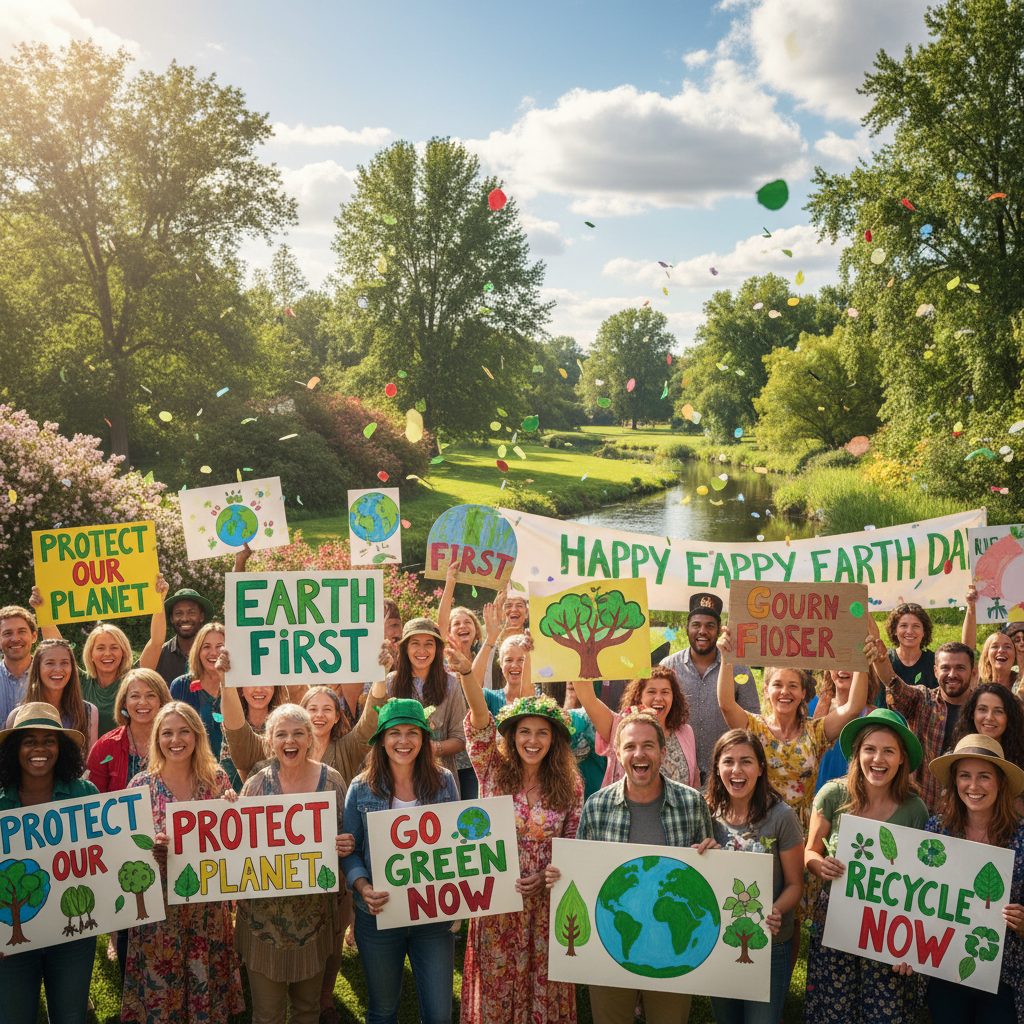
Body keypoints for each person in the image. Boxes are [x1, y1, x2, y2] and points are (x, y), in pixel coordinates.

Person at [567, 712, 718, 1024]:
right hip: (613, 941)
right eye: (630, 746)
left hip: (673, 948)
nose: (639, 754)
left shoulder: (692, 803)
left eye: (648, 746)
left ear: (663, 752)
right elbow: (581, 874)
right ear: (618, 753)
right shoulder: (597, 806)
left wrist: (712, 856)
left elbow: (707, 881)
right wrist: (564, 876)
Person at [458, 649, 583, 1023]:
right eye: (524, 731)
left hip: (547, 907)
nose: (532, 740)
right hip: (496, 901)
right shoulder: (492, 770)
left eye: (542, 732)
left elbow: (574, 844)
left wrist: (548, 876)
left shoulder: (571, 784)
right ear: (511, 737)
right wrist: (467, 672)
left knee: (543, 984)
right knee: (497, 988)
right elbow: (480, 721)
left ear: (554, 739)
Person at [121, 700, 244, 1023]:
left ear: (197, 736)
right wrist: (151, 850)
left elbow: (234, 843)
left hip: (207, 907)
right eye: (167, 733)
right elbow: (123, 854)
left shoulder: (217, 781)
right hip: (157, 910)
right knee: (162, 990)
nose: (175, 740)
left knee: (205, 980)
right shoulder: (139, 787)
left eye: (184, 732)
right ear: (157, 740)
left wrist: (232, 808)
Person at [804, 708, 929, 1024]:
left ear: (902, 759)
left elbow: (922, 878)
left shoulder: (915, 810)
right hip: (835, 917)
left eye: (889, 751)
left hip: (889, 924)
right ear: (857, 753)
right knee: (832, 1007)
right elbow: (810, 852)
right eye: (870, 749)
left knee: (884, 1008)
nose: (878, 759)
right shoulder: (832, 794)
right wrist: (820, 866)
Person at [342, 697, 462, 1024]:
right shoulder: (361, 789)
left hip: (432, 915)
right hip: (378, 915)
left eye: (412, 732)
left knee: (439, 1015)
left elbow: (457, 846)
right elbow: (351, 850)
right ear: (382, 740)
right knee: (382, 1011)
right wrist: (362, 887)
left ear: (424, 739)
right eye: (394, 733)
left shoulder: (444, 783)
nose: (403, 741)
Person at [235, 704, 354, 1024]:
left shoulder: (333, 782)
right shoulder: (256, 785)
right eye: (282, 733)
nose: (291, 740)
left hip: (314, 921)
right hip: (264, 924)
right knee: (268, 1015)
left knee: (307, 1011)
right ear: (270, 740)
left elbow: (346, 836)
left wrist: (346, 844)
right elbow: (236, 849)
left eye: (299, 733)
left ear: (310, 738)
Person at [0, 703, 96, 1024]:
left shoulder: (84, 794)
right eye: (29, 741)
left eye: (49, 740)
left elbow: (107, 857)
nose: (39, 749)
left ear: (61, 747)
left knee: (70, 1018)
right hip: (8, 943)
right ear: (15, 749)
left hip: (73, 937)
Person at [922, 734, 1024, 1022]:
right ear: (955, 781)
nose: (974, 786)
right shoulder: (936, 830)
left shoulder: (1022, 837)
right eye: (965, 775)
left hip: (1004, 976)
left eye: (984, 777)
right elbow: (917, 900)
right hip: (945, 969)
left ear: (1001, 782)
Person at [705, 729, 804, 1024]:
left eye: (746, 761)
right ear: (717, 768)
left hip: (769, 944)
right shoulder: (704, 811)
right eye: (728, 761)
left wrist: (777, 908)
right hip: (718, 941)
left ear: (761, 769)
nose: (737, 770)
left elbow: (795, 884)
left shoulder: (781, 817)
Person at [85, 667, 171, 975]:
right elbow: (92, 799)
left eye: (151, 695)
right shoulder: (106, 747)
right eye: (135, 695)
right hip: (121, 846)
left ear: (163, 701)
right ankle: (131, 986)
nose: (143, 702)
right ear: (124, 702)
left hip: (170, 845)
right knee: (126, 921)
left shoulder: (177, 739)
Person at [30, 575, 170, 735]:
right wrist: (41, 608)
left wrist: (159, 600)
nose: (107, 653)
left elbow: (157, 642)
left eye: (114, 647)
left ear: (123, 651)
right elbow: (57, 647)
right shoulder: (80, 681)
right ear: (90, 654)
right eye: (100, 648)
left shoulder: (134, 679)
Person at [868, 620, 978, 812]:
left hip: (967, 813)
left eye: (960, 668)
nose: (952, 674)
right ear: (935, 672)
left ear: (973, 672)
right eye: (945, 668)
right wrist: (881, 659)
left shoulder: (983, 710)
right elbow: (894, 684)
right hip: (921, 810)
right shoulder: (922, 699)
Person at [659, 593, 757, 782]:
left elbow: (752, 722)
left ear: (719, 631)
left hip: (725, 775)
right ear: (687, 628)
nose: (702, 631)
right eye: (696, 625)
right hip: (676, 774)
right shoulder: (668, 667)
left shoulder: (738, 669)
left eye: (709, 626)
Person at [571, 665, 699, 790]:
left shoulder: (685, 732)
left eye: (665, 692)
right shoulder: (620, 728)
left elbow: (694, 782)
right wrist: (586, 655)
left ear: (673, 698)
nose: (658, 698)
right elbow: (588, 698)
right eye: (651, 691)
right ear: (639, 696)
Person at [383, 619, 467, 792]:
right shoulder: (390, 682)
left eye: (429, 644)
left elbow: (460, 739)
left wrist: (433, 748)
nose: (422, 650)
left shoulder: (451, 683)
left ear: (437, 649)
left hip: (440, 783)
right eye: (415, 644)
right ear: (405, 648)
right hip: (399, 781)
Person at [6, 638, 98, 749]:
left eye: (64, 663)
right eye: (50, 663)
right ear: (37, 668)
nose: (58, 669)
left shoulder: (89, 712)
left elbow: (90, 763)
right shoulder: (17, 716)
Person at [879, 589, 977, 692]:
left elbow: (965, 653)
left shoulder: (934, 661)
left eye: (916, 626)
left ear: (924, 631)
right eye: (903, 625)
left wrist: (971, 609)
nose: (909, 631)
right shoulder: (884, 659)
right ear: (894, 630)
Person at [812, 668, 883, 794]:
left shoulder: (874, 716)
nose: (843, 670)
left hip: (856, 800)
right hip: (818, 800)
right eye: (838, 663)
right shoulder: (813, 708)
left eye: (850, 664)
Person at [169, 621, 226, 760]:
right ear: (198, 651)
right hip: (193, 769)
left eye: (220, 647)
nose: (213, 652)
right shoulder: (181, 686)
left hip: (235, 773)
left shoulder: (240, 688)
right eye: (206, 647)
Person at [215, 681, 285, 788]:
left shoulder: (285, 724)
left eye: (266, 682)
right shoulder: (229, 724)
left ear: (275, 688)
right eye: (251, 682)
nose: (259, 689)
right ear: (241, 689)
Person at [155, 587, 215, 686]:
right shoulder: (160, 654)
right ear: (172, 618)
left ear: (201, 617)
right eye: (179, 613)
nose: (185, 618)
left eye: (191, 613)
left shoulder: (214, 654)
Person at [0, 604, 38, 723]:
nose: (15, 638)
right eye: (7, 633)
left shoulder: (48, 677)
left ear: (34, 636)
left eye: (22, 632)